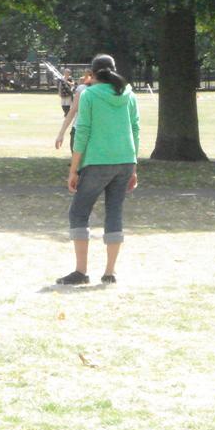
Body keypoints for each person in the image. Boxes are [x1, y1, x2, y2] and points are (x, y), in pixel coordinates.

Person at [58, 54, 139, 285]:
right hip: (124, 160)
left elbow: (82, 132)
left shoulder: (89, 95)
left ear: (92, 74)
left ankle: (81, 271)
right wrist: (133, 166)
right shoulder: (129, 94)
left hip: (97, 162)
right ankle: (110, 272)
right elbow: (135, 129)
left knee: (79, 212)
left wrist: (73, 170)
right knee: (114, 212)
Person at [55, 69, 94, 151]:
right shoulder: (83, 88)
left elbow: (73, 110)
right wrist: (61, 133)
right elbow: (73, 110)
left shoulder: (83, 88)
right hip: (80, 128)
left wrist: (61, 133)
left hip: (85, 129)